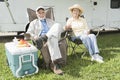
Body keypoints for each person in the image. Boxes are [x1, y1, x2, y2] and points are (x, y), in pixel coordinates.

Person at [26, 6, 64, 75]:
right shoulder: (33, 23)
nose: (41, 14)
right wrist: (35, 36)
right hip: (41, 39)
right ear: (36, 14)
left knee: (58, 25)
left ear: (45, 13)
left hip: (48, 37)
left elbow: (59, 29)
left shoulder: (50, 21)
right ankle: (54, 64)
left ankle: (45, 37)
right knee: (52, 39)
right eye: (39, 13)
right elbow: (29, 33)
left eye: (43, 12)